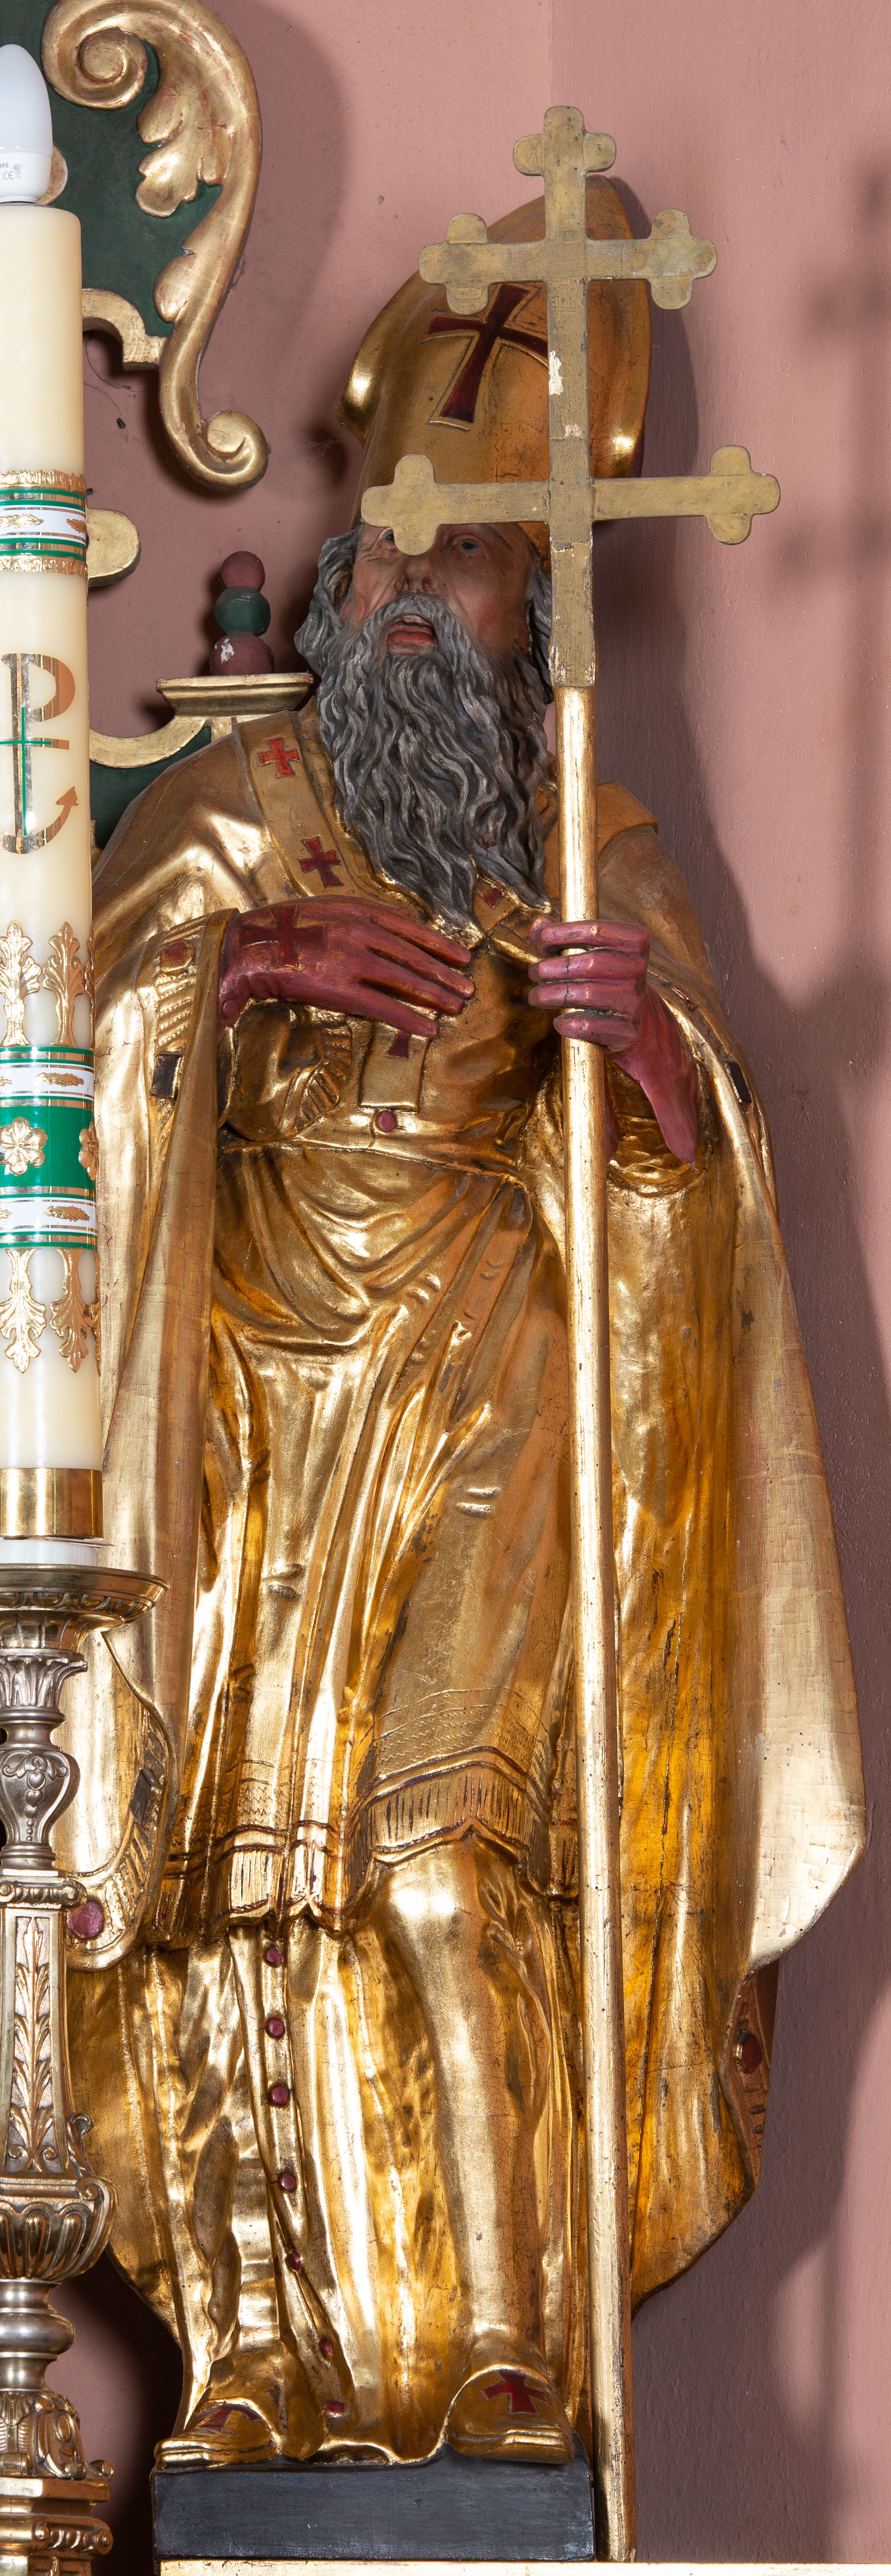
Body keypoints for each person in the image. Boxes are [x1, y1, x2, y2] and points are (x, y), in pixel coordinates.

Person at [63, 178, 863, 2470]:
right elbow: (71, 1078)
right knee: (242, 1894)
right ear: (338, 590)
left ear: (537, 611)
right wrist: (222, 981)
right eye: (393, 552)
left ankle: (510, 2337)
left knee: (442, 1864)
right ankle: (259, 2349)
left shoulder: (593, 837)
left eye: (474, 560)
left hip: (496, 1392)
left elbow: (698, 1204)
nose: (418, 587)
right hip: (251, 1425)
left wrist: (644, 1066)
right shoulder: (235, 808)